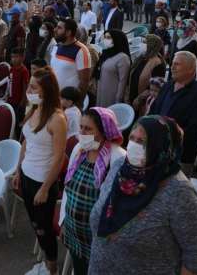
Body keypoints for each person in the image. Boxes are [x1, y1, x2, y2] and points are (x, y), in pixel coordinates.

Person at [88, 115, 197, 275]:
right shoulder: (120, 168)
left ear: (161, 146)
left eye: (142, 142)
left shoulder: (179, 191)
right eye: (132, 138)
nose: (133, 146)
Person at [12, 67, 67, 275]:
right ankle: (45, 265)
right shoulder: (34, 108)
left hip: (42, 182)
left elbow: (59, 157)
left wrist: (45, 188)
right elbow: (27, 142)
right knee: (36, 226)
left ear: (46, 90)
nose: (29, 90)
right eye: (30, 86)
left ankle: (52, 269)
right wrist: (18, 171)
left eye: (33, 87)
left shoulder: (57, 119)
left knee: (44, 230)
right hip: (27, 176)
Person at [60, 107, 125, 275]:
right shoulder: (79, 151)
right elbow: (68, 190)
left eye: (88, 128)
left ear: (104, 132)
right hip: (74, 233)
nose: (82, 132)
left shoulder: (118, 159)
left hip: (98, 240)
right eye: (81, 127)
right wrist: (63, 222)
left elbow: (119, 205)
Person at [148, 51, 197, 176]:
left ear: (191, 69)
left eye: (177, 64)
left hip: (181, 155)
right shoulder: (168, 85)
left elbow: (193, 130)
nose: (172, 67)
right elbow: (154, 110)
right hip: (158, 149)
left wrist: (167, 139)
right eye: (172, 64)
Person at [51, 19, 92, 96]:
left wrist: (78, 103)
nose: (55, 30)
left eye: (59, 28)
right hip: (54, 97)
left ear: (68, 32)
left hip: (69, 101)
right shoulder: (56, 47)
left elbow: (84, 81)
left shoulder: (81, 50)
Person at [94, 29, 131, 107]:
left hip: (112, 96)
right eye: (105, 37)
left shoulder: (123, 58)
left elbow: (123, 81)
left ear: (117, 39)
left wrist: (118, 99)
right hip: (101, 92)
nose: (106, 40)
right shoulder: (106, 53)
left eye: (109, 38)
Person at [128, 34, 166, 105]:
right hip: (132, 98)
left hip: (142, 102)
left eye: (145, 42)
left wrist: (139, 99)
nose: (142, 45)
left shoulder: (158, 63)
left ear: (151, 45)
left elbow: (155, 86)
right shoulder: (143, 57)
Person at [7, 47, 30, 127]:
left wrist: (23, 101)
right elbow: (10, 83)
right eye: (12, 57)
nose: (13, 59)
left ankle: (18, 137)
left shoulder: (24, 71)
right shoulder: (11, 69)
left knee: (18, 123)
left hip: (19, 102)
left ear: (22, 57)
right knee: (10, 120)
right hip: (11, 100)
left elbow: (25, 87)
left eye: (16, 57)